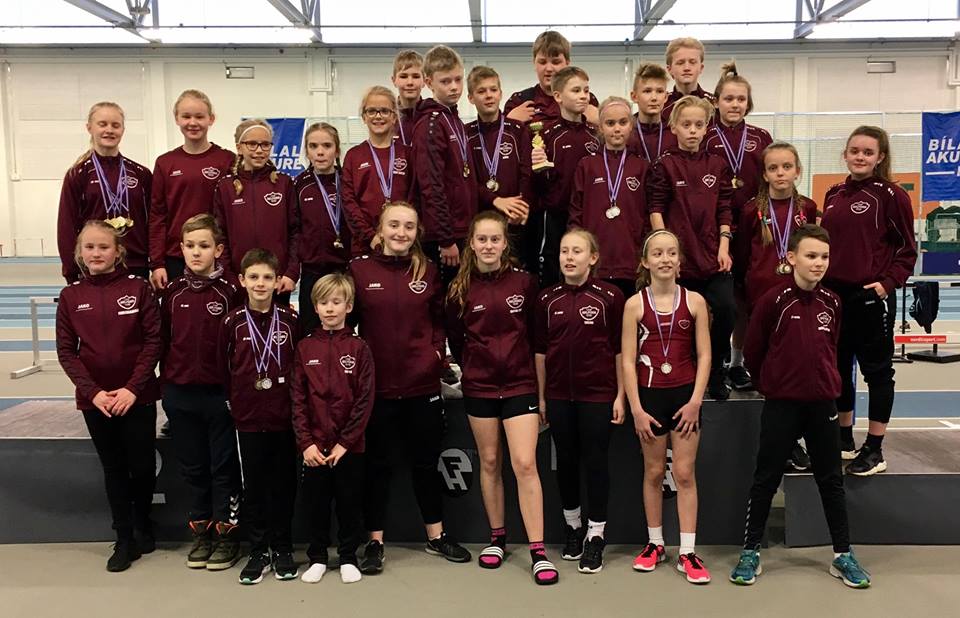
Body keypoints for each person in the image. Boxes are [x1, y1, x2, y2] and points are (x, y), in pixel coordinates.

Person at [732, 224, 871, 589]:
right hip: (782, 405)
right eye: (811, 256)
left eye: (824, 257)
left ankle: (842, 554)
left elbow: (832, 348)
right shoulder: (773, 301)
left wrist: (824, 383)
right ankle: (750, 551)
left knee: (831, 480)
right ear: (792, 257)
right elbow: (754, 352)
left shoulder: (833, 302)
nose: (819, 263)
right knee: (765, 479)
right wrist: (771, 385)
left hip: (823, 404)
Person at [349, 202, 471, 574]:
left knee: (425, 464)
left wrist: (434, 356)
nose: (401, 232)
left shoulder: (429, 271)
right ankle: (374, 542)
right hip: (378, 388)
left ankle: (436, 536)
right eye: (394, 225)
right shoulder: (358, 270)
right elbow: (348, 326)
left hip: (422, 386)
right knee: (378, 467)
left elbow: (439, 322)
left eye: (408, 226)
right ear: (380, 229)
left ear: (417, 232)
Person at [445, 211, 558, 586]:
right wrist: (474, 369)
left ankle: (538, 551)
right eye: (482, 239)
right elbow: (457, 340)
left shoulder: (525, 283)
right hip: (479, 386)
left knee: (524, 463)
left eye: (495, 239)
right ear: (472, 244)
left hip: (520, 384)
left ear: (505, 243)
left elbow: (538, 339)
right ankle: (497, 538)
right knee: (490, 462)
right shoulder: (459, 289)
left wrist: (540, 389)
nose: (489, 245)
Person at [55, 220, 161, 572]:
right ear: (79, 253)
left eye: (103, 247)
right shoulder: (71, 296)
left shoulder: (139, 288)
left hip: (137, 396)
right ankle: (124, 536)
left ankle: (143, 522)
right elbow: (67, 351)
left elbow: (153, 342)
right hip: (96, 401)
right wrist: (94, 393)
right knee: (114, 468)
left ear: (118, 252)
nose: (96, 253)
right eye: (89, 247)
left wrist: (132, 388)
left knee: (142, 466)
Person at [820, 125, 917, 476]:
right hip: (834, 297)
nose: (860, 157)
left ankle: (874, 448)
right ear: (845, 154)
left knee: (877, 372)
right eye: (854, 151)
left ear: (880, 157)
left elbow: (907, 250)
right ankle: (843, 439)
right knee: (838, 369)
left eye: (867, 152)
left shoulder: (891, 195)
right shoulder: (833, 194)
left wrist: (886, 284)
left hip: (870, 298)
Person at [621, 229, 712, 584]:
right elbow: (627, 361)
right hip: (650, 399)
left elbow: (705, 355)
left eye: (671, 253)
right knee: (654, 472)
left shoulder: (695, 301)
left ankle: (687, 551)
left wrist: (695, 402)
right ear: (645, 261)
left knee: (685, 474)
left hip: (685, 398)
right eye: (657, 253)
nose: (665, 259)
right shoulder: (634, 305)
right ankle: (655, 543)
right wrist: (636, 409)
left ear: (679, 260)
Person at [535, 228, 625, 574]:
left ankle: (596, 534)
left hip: (598, 395)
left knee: (596, 463)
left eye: (577, 251)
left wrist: (620, 395)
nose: (569, 257)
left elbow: (619, 350)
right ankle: (572, 527)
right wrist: (543, 396)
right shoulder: (547, 299)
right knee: (566, 462)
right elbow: (540, 352)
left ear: (593, 257)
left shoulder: (610, 297)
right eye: (564, 251)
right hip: (559, 396)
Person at [159, 213, 242, 571]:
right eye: (190, 246)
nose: (196, 252)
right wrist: (167, 386)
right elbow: (162, 341)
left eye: (204, 246)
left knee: (223, 467)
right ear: (181, 249)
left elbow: (241, 342)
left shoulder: (231, 291)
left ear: (218, 250)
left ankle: (226, 535)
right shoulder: (172, 292)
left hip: (218, 395)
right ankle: (201, 532)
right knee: (193, 468)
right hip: (180, 393)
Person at [734, 142, 819, 471]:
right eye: (773, 168)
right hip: (761, 297)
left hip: (797, 298)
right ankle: (775, 442)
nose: (780, 173)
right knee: (769, 369)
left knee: (794, 369)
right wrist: (744, 289)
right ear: (764, 174)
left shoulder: (807, 207)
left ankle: (793, 440)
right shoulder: (750, 211)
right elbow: (743, 254)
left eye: (786, 167)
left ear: (798, 170)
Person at [217, 249, 300, 584]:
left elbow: (299, 369)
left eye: (267, 277)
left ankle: (282, 547)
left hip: (284, 418)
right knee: (253, 486)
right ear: (242, 280)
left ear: (278, 281)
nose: (260, 284)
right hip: (248, 418)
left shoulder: (291, 320)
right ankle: (258, 550)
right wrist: (236, 403)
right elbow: (223, 369)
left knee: (284, 485)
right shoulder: (232, 322)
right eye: (253, 277)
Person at [647, 95, 735, 400]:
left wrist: (724, 245)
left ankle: (716, 370)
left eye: (699, 125)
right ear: (674, 127)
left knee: (726, 309)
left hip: (711, 256)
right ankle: (685, 370)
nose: (693, 130)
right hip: (680, 261)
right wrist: (666, 251)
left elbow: (724, 208)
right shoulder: (664, 165)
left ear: (707, 127)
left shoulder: (717, 164)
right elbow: (656, 208)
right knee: (681, 318)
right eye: (686, 125)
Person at [292, 274, 375, 585]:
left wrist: (346, 442)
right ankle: (317, 557)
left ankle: (348, 556)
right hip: (314, 446)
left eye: (336, 302)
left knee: (349, 503)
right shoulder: (304, 348)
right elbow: (298, 399)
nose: (330, 308)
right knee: (316, 504)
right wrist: (306, 443)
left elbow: (364, 400)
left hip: (349, 448)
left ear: (348, 306)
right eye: (323, 302)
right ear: (314, 307)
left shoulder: (359, 348)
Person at [703, 62, 773, 392]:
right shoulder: (705, 135)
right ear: (716, 101)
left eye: (741, 99)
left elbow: (770, 180)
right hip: (714, 230)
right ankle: (711, 362)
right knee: (719, 302)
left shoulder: (761, 137)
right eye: (728, 98)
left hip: (752, 227)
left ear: (749, 103)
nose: (734, 104)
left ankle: (736, 362)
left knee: (745, 300)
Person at [58, 102, 152, 283]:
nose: (109, 130)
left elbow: (153, 222)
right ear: (89, 128)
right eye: (102, 124)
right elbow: (66, 226)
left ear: (123, 130)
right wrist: (71, 272)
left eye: (115, 125)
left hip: (135, 264)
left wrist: (155, 263)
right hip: (94, 266)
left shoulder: (141, 174)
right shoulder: (78, 174)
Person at [149, 89, 234, 289]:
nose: (193, 122)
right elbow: (157, 216)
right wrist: (157, 263)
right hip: (176, 257)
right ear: (177, 119)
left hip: (217, 256)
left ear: (211, 119)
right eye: (186, 116)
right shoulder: (165, 163)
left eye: (199, 116)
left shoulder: (227, 160)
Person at [569, 96, 648, 299]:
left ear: (631, 125)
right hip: (595, 261)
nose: (617, 129)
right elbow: (576, 213)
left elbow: (648, 214)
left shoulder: (642, 166)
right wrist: (578, 252)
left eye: (623, 122)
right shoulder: (587, 165)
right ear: (601, 127)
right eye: (610, 123)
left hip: (631, 261)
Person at [212, 119, 299, 304]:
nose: (259, 150)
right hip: (240, 282)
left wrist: (291, 273)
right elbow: (220, 235)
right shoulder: (226, 187)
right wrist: (229, 277)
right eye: (252, 144)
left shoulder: (284, 183)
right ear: (239, 147)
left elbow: (296, 232)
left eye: (265, 144)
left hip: (277, 281)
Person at [412, 44, 478, 286]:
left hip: (462, 228)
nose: (454, 87)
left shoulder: (453, 119)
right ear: (429, 82)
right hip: (443, 236)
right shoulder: (430, 124)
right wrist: (445, 238)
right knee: (445, 297)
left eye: (458, 80)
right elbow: (431, 185)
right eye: (445, 81)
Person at [532, 66, 600, 288]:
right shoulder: (547, 135)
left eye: (586, 90)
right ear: (558, 96)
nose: (583, 96)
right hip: (555, 215)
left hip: (588, 215)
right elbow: (538, 183)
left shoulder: (595, 135)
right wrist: (539, 168)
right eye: (576, 90)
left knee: (587, 269)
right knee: (552, 268)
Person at [465, 65, 534, 271]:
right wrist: (495, 200)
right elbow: (467, 181)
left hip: (514, 220)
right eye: (481, 91)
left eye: (493, 90)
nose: (489, 95)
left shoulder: (517, 130)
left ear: (500, 94)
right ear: (470, 98)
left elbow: (527, 173)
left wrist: (521, 206)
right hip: (480, 220)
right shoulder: (465, 134)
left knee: (515, 273)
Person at [293, 122, 350, 334]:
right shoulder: (299, 184)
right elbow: (294, 230)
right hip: (312, 270)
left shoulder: (348, 181)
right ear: (306, 151)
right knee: (310, 331)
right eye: (313, 146)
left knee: (345, 329)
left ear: (337, 150)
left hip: (345, 269)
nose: (320, 152)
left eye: (327, 145)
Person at [342, 86, 413, 256]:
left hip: (402, 241)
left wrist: (404, 232)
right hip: (365, 243)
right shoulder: (353, 155)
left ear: (394, 117)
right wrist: (369, 236)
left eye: (384, 111)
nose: (378, 116)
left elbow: (414, 197)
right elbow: (349, 202)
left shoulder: (408, 153)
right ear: (364, 117)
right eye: (372, 111)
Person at [503, 30, 600, 126]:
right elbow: (499, 134)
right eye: (542, 62)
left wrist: (600, 122)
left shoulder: (586, 100)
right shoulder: (519, 101)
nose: (549, 69)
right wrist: (509, 122)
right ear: (534, 63)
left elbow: (604, 133)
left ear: (567, 63)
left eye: (556, 62)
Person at [627, 63, 678, 162]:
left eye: (659, 91)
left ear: (666, 97)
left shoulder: (674, 132)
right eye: (647, 91)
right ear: (634, 96)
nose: (654, 98)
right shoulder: (626, 132)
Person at [661, 37, 714, 122]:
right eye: (680, 63)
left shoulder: (714, 104)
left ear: (701, 68)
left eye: (692, 62)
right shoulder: (661, 106)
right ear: (669, 69)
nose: (687, 68)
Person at [391, 49, 424, 147]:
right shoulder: (387, 118)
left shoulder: (432, 117)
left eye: (416, 76)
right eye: (403, 76)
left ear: (425, 81)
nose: (410, 82)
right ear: (394, 80)